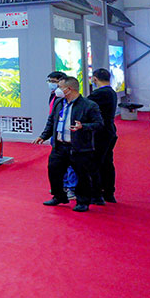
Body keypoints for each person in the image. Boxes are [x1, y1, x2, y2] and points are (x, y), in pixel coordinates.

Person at [36, 76, 103, 211]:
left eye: (60, 87)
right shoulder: (59, 103)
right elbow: (52, 121)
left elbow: (99, 124)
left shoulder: (89, 105)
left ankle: (83, 201)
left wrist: (83, 126)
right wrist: (44, 136)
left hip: (79, 147)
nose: (57, 90)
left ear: (69, 89)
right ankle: (59, 196)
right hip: (60, 145)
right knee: (54, 170)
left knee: (82, 175)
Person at [88, 68, 119, 203]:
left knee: (96, 162)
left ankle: (96, 194)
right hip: (109, 131)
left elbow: (84, 104)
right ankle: (108, 192)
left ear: (95, 79)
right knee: (107, 162)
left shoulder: (100, 93)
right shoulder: (111, 92)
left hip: (101, 133)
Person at [46, 71, 77, 200]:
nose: (51, 85)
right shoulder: (55, 98)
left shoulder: (77, 103)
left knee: (71, 165)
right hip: (57, 135)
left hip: (70, 138)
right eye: (50, 81)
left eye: (54, 82)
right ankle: (61, 187)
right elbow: (52, 117)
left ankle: (72, 188)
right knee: (57, 165)